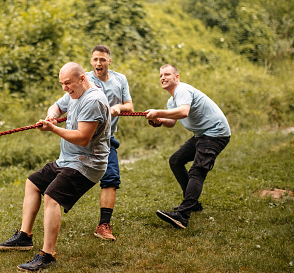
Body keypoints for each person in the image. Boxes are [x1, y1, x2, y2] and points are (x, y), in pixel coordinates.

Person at [0, 62, 111, 271]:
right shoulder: (75, 92)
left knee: (52, 196)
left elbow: (83, 138)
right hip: (68, 160)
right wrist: (52, 115)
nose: (65, 88)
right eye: (62, 84)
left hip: (88, 163)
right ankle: (24, 237)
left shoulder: (93, 100)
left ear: (82, 79)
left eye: (68, 83)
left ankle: (47, 255)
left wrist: (52, 129)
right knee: (33, 183)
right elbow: (58, 105)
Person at [146, 64, 230, 229]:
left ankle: (183, 216)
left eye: (167, 74)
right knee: (176, 160)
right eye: (161, 75)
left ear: (177, 77)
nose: (163, 77)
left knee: (197, 170)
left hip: (216, 133)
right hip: (202, 134)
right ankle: (193, 204)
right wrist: (160, 121)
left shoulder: (182, 90)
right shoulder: (172, 100)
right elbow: (172, 122)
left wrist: (158, 112)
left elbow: (184, 112)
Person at [86, 45, 133, 241]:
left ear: (109, 61)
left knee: (111, 178)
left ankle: (103, 225)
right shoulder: (85, 79)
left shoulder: (120, 79)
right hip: (84, 137)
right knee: (69, 176)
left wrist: (117, 108)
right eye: (96, 59)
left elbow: (130, 106)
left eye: (102, 60)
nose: (99, 63)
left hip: (106, 139)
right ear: (91, 61)